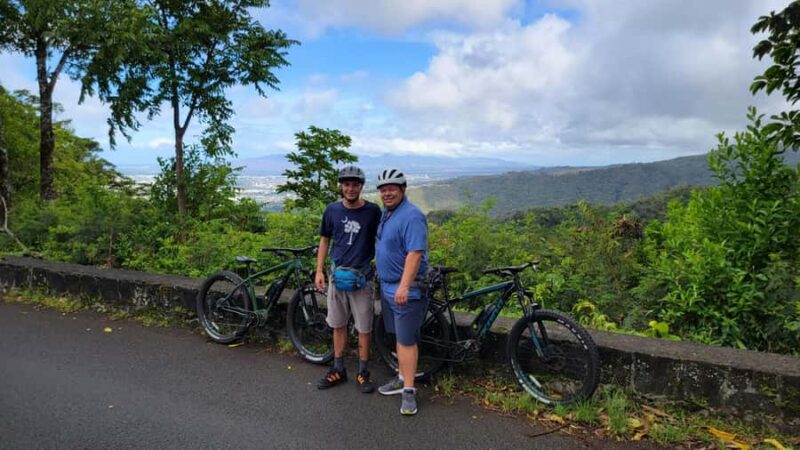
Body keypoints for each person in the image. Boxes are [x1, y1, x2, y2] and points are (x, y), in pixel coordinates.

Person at [315, 166, 382, 393]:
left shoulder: (373, 211)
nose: (350, 188)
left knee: (364, 327)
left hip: (363, 278)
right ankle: (339, 368)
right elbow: (325, 240)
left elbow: (382, 239)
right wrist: (319, 270)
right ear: (341, 186)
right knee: (338, 324)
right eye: (346, 184)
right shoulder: (332, 210)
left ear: (361, 187)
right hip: (337, 276)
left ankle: (363, 372)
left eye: (355, 185)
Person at [374, 168, 429, 416]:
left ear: (403, 190)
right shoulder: (388, 214)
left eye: (392, 188)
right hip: (387, 286)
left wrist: (405, 286)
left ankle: (408, 391)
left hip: (403, 288)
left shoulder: (412, 216)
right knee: (397, 335)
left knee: (406, 340)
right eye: (383, 190)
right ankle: (400, 377)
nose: (387, 193)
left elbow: (415, 253)